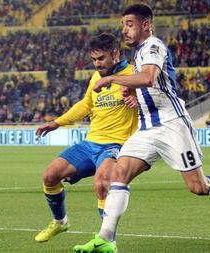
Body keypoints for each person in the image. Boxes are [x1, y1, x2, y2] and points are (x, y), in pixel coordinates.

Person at [73, 4, 210, 253]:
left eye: (129, 25)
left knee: (199, 187)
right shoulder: (139, 53)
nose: (124, 30)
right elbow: (148, 84)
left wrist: (111, 79)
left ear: (145, 25)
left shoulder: (153, 45)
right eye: (123, 25)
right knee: (118, 174)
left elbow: (148, 78)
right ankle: (106, 239)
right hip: (147, 128)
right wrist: (133, 92)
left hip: (172, 125)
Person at [34, 33, 138, 243]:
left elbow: (155, 96)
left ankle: (107, 240)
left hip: (116, 144)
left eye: (101, 58)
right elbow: (85, 105)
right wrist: (56, 123)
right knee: (50, 176)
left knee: (102, 184)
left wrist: (139, 99)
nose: (97, 64)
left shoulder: (133, 73)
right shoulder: (96, 78)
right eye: (94, 59)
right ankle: (61, 222)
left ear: (115, 54)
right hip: (90, 143)